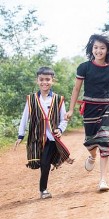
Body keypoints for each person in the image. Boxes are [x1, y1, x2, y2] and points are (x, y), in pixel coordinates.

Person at [65, 34, 109, 191]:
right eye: (96, 47)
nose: (98, 51)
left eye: (102, 48)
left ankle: (103, 180)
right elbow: (76, 88)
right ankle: (92, 156)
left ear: (108, 50)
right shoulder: (84, 67)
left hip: (106, 107)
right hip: (89, 108)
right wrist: (70, 109)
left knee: (105, 141)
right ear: (92, 49)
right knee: (90, 142)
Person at [14, 67, 73, 199]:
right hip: (35, 138)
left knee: (45, 163)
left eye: (47, 79)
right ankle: (59, 158)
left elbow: (64, 119)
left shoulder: (58, 99)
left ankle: (43, 190)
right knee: (38, 162)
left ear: (53, 81)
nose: (44, 82)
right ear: (37, 80)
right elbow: (25, 117)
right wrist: (20, 135)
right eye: (41, 79)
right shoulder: (31, 99)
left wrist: (60, 129)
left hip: (51, 138)